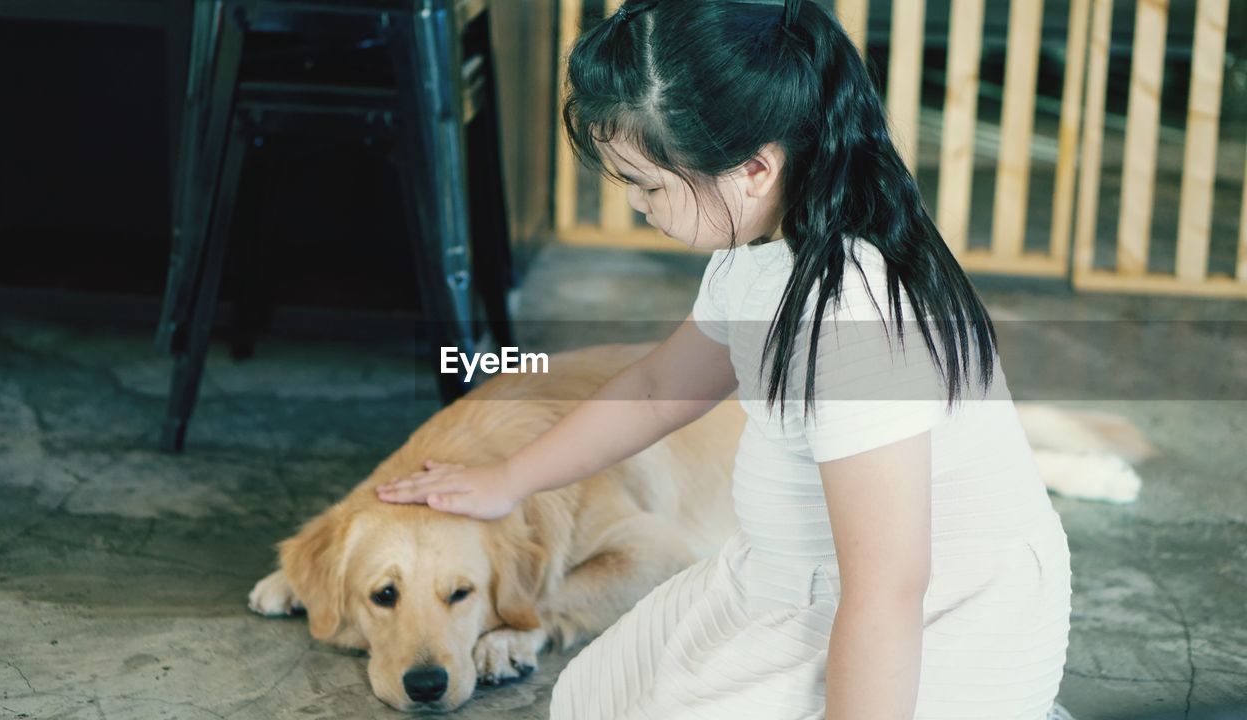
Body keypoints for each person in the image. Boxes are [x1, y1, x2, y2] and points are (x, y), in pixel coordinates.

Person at [375, 0, 1074, 718]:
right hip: (789, 576)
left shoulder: (852, 316)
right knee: (588, 701)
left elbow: (889, 589)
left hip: (932, 621)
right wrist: (507, 480)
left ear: (753, 169)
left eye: (648, 184)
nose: (639, 206)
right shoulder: (762, 251)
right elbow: (656, 388)